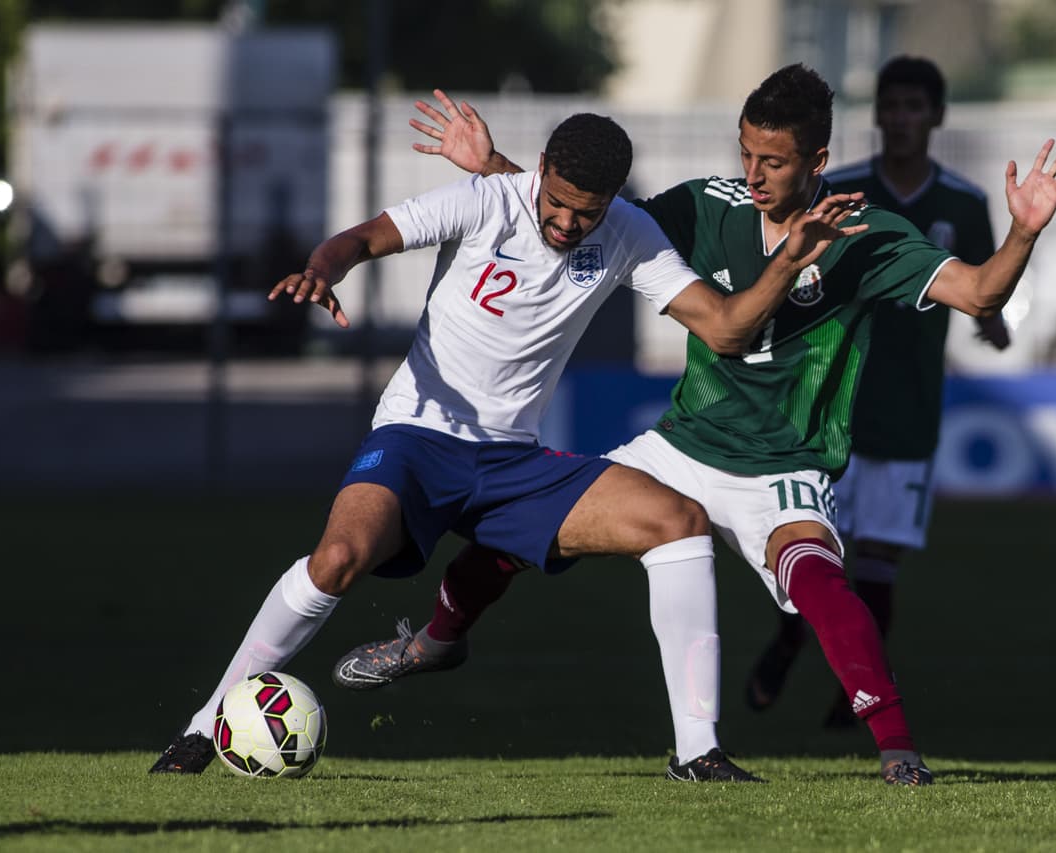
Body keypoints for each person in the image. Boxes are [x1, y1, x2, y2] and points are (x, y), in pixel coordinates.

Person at [333, 65, 1056, 787]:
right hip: (681, 444)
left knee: (822, 583)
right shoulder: (706, 206)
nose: (753, 173)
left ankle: (897, 749)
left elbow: (980, 295)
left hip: (784, 461)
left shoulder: (864, 233)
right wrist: (497, 168)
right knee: (518, 532)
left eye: (773, 161)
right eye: (746, 152)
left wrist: (1023, 233)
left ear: (818, 161)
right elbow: (589, 221)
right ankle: (435, 641)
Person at [148, 111, 867, 778]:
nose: (567, 222)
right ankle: (203, 726)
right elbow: (362, 238)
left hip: (511, 460)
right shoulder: (482, 200)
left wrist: (787, 260)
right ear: (541, 167)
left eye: (587, 212)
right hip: (417, 436)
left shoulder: (628, 231)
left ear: (612, 200)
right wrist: (322, 270)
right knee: (336, 559)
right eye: (557, 202)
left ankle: (698, 751)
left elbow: (726, 328)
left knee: (677, 522)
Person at [744, 56, 1012, 724]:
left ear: (936, 116)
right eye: (890, 105)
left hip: (909, 409)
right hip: (827, 401)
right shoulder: (840, 193)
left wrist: (993, 323)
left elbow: (982, 285)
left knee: (879, 561)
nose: (900, 118)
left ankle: (852, 693)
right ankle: (787, 642)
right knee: (814, 551)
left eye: (914, 106)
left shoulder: (963, 204)